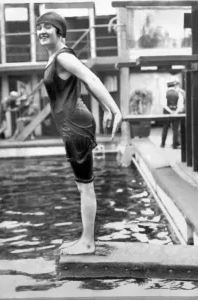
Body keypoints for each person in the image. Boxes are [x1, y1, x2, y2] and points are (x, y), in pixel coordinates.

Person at [36, 11, 122, 255]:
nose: (42, 30)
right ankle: (86, 239)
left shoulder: (63, 57)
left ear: (59, 31)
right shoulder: (57, 57)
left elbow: (90, 78)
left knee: (86, 187)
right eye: (39, 27)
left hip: (75, 125)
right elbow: (82, 83)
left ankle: (87, 242)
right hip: (73, 125)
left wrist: (115, 110)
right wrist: (105, 108)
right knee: (83, 185)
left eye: (47, 27)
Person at [160, 80, 184, 149]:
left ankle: (162, 144)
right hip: (176, 114)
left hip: (166, 114)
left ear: (167, 86)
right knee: (175, 130)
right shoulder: (178, 94)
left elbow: (163, 104)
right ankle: (174, 145)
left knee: (165, 128)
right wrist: (175, 112)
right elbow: (180, 106)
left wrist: (170, 111)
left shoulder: (165, 93)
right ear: (174, 86)